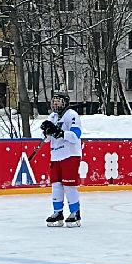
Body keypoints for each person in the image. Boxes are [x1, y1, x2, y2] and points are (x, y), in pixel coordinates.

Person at [40, 92, 85, 226]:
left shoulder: (71, 115)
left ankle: (75, 213)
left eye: (58, 101)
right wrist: (47, 132)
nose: (55, 104)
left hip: (70, 155)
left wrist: (60, 133)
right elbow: (47, 140)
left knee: (69, 185)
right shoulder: (52, 117)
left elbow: (75, 135)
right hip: (56, 156)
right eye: (54, 101)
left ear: (65, 103)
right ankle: (58, 212)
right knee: (56, 185)